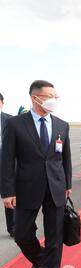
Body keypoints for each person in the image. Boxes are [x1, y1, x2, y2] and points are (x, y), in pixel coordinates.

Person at [1, 80, 72, 268]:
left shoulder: (62, 124)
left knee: (54, 237)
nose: (54, 99)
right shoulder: (15, 124)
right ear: (35, 98)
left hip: (56, 188)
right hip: (25, 188)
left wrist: (68, 184)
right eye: (50, 95)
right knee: (21, 234)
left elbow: (65, 158)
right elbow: (6, 160)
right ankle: (41, 261)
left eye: (56, 95)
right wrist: (7, 191)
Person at [0, 93, 15, 237]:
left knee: (9, 197)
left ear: (2, 103)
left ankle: (13, 228)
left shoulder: (10, 120)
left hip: (6, 165)